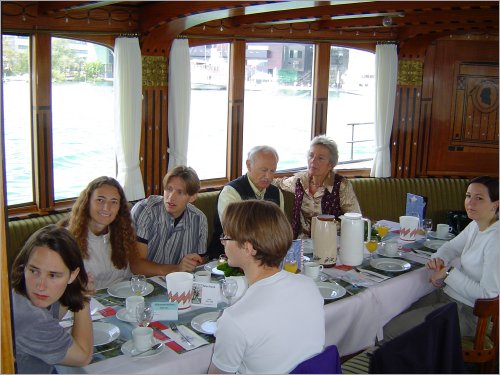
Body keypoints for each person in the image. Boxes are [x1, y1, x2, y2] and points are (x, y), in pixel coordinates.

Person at [208, 200, 325, 374]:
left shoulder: (234, 320)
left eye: (226, 237)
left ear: (248, 248)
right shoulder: (308, 286)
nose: (223, 242)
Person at [383, 176, 499, 340]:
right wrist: (439, 260)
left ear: (496, 204)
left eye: (479, 198)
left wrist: (448, 274)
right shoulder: (476, 224)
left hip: (469, 314)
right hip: (448, 296)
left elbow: (489, 296)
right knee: (387, 316)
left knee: (392, 330)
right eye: (468, 196)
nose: (470, 203)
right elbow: (451, 247)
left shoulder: (495, 240)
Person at [11, 225, 93, 374]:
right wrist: (83, 299)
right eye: (34, 271)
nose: (40, 286)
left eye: (53, 275)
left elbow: (51, 318)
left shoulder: (21, 296)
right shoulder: (30, 317)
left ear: (72, 275)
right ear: (24, 267)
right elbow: (83, 357)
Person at [275, 134, 361, 238]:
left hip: (332, 241)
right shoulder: (299, 181)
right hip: (303, 242)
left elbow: (354, 218)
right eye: (311, 155)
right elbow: (278, 182)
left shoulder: (341, 186)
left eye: (320, 158)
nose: (313, 161)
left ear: (331, 164)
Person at [207, 145, 284, 259]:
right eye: (263, 170)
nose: (268, 176)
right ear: (249, 165)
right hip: (227, 259)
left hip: (266, 258)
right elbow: (234, 235)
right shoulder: (231, 193)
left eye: (272, 171)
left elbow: (280, 230)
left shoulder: (276, 193)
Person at [130, 165, 208, 276]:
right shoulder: (146, 210)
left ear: (192, 197)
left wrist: (191, 264)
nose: (171, 197)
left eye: (180, 192)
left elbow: (200, 262)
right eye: (169, 189)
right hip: (142, 283)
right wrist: (177, 269)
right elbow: (136, 265)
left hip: (180, 283)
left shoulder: (200, 220)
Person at [64, 176, 136, 291]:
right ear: (87, 202)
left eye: (114, 202)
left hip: (122, 298)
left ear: (119, 208)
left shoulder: (123, 233)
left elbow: (129, 276)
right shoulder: (68, 241)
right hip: (87, 302)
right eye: (100, 200)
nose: (106, 207)